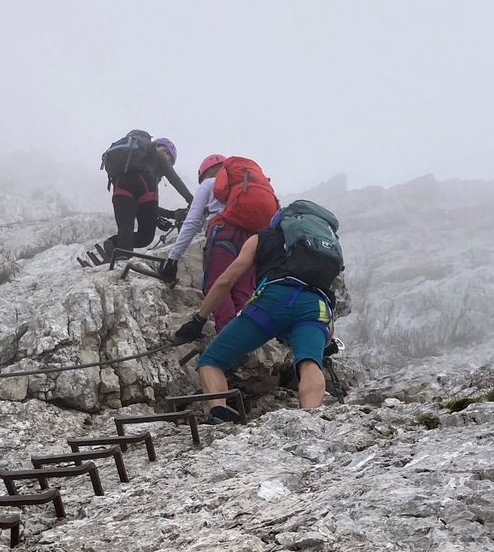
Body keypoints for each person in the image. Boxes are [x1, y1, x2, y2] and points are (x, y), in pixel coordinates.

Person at [171, 200, 344, 419]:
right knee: (309, 362)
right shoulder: (323, 248)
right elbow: (328, 295)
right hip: (316, 307)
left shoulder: (262, 237)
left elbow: (227, 280)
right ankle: (309, 419)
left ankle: (220, 416)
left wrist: (199, 319)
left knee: (211, 361)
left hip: (274, 301)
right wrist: (325, 342)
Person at [159, 154, 257, 331]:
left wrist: (173, 259)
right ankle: (242, 344)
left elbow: (193, 221)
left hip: (222, 234)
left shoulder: (208, 184)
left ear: (206, 172)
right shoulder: (246, 186)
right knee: (241, 294)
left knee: (217, 285)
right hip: (252, 238)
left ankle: (227, 346)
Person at [97, 132, 193, 261]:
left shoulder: (129, 162)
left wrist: (167, 215)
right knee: (146, 236)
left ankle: (118, 250)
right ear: (164, 151)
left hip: (120, 187)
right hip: (145, 188)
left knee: (125, 226)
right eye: (169, 161)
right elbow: (174, 180)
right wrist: (192, 201)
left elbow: (141, 207)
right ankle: (120, 255)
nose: (168, 164)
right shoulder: (156, 156)